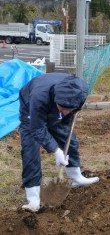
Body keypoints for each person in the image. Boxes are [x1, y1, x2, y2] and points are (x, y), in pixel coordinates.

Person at [19, 73, 99, 212]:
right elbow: (37, 128)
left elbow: (72, 111)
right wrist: (56, 151)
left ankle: (76, 177)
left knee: (69, 140)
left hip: (56, 103)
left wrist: (66, 116)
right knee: (30, 150)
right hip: (30, 108)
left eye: (68, 108)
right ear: (56, 98)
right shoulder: (38, 97)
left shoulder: (80, 91)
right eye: (61, 107)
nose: (64, 110)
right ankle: (33, 198)